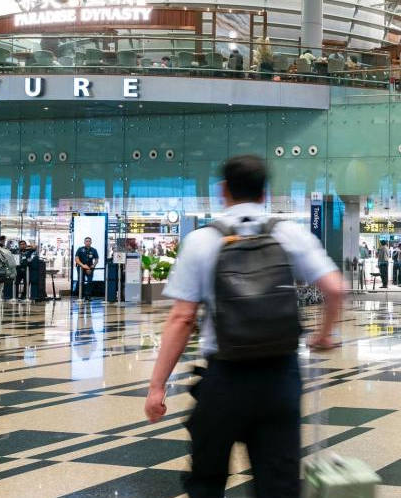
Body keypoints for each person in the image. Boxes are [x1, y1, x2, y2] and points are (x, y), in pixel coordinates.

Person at [144, 154, 343, 498]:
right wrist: (323, 335)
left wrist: (157, 387)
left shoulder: (202, 240)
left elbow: (182, 318)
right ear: (265, 192)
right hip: (280, 378)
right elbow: (336, 289)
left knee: (207, 480)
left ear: (223, 191)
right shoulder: (289, 233)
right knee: (278, 484)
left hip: (224, 379)